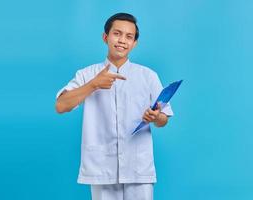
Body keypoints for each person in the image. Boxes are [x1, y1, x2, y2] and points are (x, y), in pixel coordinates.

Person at [55, 13, 173, 200]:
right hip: (101, 168)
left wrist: (156, 117)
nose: (122, 41)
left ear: (134, 43)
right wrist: (93, 84)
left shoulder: (148, 76)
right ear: (105, 37)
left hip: (138, 167)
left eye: (129, 37)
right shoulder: (87, 74)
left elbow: (163, 119)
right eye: (117, 34)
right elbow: (61, 105)